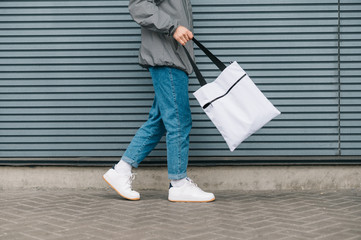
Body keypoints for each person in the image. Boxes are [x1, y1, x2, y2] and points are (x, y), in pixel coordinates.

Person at [103, 0, 215, 202]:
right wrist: (173, 27)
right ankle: (179, 184)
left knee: (161, 120)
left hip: (173, 57)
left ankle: (121, 170)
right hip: (168, 59)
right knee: (179, 120)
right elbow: (139, 5)